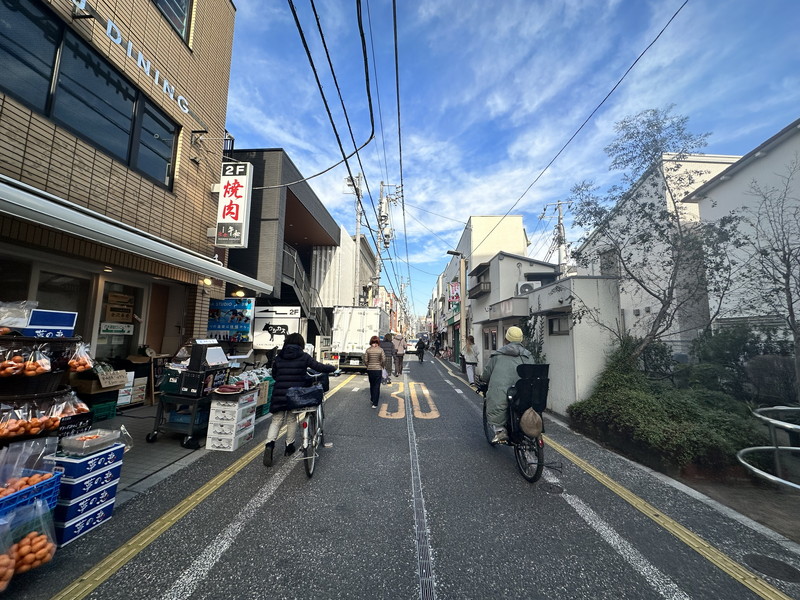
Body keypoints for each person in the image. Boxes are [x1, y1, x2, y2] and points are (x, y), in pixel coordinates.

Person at [263, 333, 337, 467]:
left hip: (279, 393)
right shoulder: (303, 356)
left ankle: (269, 444)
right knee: (291, 419)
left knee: (276, 420)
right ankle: (289, 446)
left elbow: (274, 374)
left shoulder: (279, 357)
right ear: (301, 344)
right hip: (295, 394)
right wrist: (332, 368)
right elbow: (318, 367)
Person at [481, 326, 533, 444]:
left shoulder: (497, 355)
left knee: (494, 401)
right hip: (523, 394)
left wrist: (483, 379)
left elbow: (486, 375)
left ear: (506, 339)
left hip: (503, 394)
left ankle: (500, 431)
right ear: (521, 339)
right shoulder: (528, 355)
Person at [363, 335, 385, 408]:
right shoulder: (380, 350)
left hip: (370, 370)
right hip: (378, 369)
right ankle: (375, 403)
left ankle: (372, 398)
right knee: (377, 386)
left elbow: (365, 360)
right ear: (378, 342)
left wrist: (368, 365)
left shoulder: (368, 350)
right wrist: (381, 365)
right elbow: (383, 360)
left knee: (372, 385)